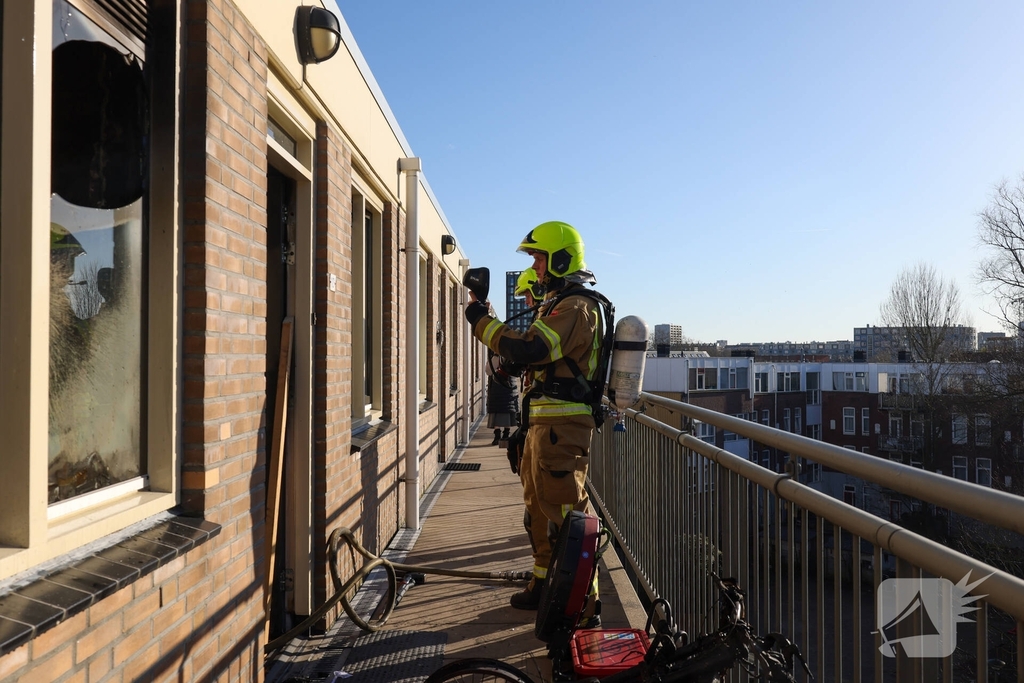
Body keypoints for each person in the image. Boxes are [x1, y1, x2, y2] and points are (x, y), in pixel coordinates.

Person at [465, 221, 610, 624]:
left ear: (561, 258)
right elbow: (537, 361)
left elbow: (533, 348)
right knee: (540, 512)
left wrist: (481, 321)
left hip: (563, 431)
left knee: (567, 520)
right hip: (546, 429)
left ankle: (582, 609)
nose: (535, 268)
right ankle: (545, 584)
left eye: (539, 259)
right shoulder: (560, 303)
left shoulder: (575, 306)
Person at [485, 350, 519, 445]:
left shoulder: (497, 356)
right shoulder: (512, 354)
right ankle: (506, 435)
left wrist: (495, 357)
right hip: (510, 386)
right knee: (507, 410)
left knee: (498, 410)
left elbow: (488, 371)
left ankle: (498, 436)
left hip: (498, 386)